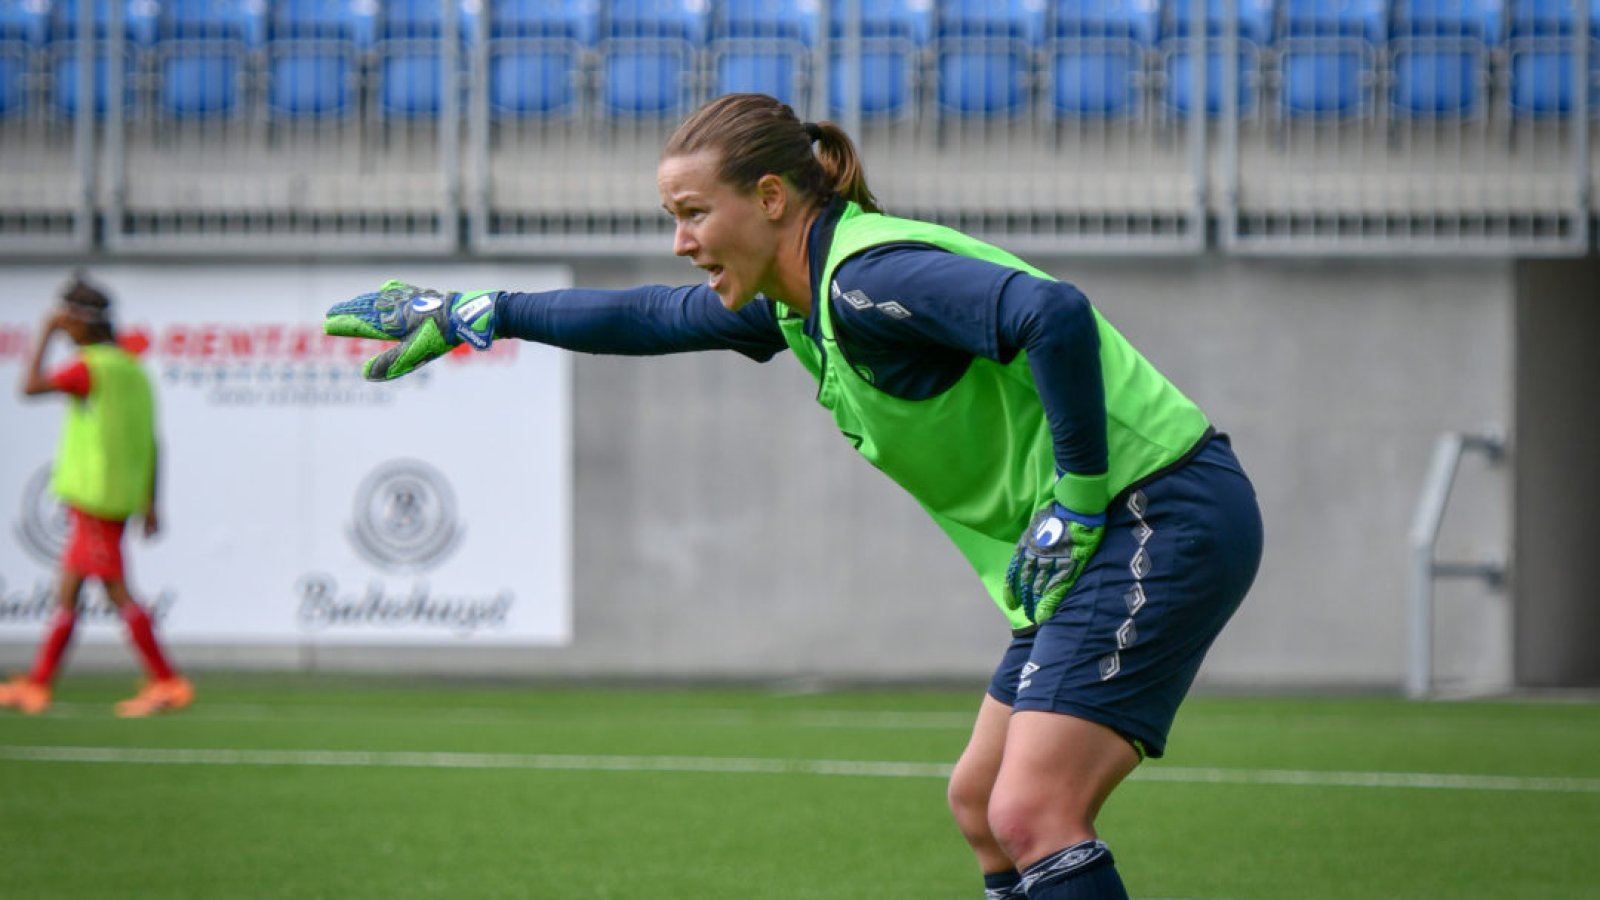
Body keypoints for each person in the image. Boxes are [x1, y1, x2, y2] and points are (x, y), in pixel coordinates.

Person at [323, 93, 1263, 899]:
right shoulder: (795, 301)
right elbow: (647, 314)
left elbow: (1049, 313)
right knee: (982, 806)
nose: (682, 241)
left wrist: (1081, 497)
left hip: (1154, 511)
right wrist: (477, 314)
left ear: (771, 198)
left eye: (693, 213)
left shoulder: (863, 279)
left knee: (1033, 810)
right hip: (1093, 536)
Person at [0, 274, 195, 719]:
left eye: (67, 320)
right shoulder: (133, 370)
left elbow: (28, 388)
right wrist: (150, 500)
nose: (64, 328)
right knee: (68, 591)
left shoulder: (90, 366)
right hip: (118, 493)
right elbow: (152, 441)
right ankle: (38, 684)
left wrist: (44, 333)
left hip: (93, 495)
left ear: (82, 321)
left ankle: (167, 681)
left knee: (117, 591)